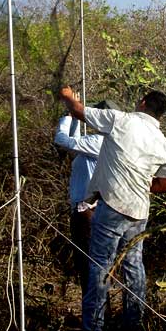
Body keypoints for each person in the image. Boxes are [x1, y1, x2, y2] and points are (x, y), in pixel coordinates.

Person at [59, 86, 166, 331]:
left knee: (100, 265)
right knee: (134, 267)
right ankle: (132, 330)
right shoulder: (164, 145)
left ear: (143, 102)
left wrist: (68, 96)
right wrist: (142, 184)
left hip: (112, 207)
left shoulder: (121, 120)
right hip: (139, 212)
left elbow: (79, 112)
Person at [54, 95, 120, 296]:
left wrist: (67, 115)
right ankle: (97, 314)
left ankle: (95, 320)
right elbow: (74, 148)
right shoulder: (109, 143)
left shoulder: (99, 142)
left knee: (88, 265)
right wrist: (74, 119)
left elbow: (62, 141)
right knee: (93, 266)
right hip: (93, 210)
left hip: (88, 212)